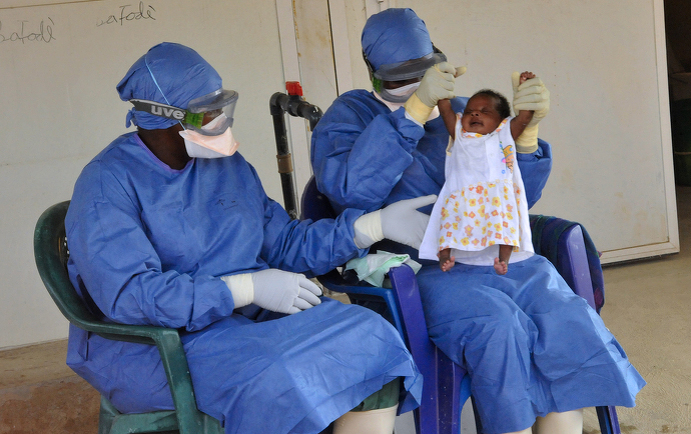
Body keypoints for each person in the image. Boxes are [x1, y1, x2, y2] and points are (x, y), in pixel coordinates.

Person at [64, 42, 437, 434]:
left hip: (248, 324)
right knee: (277, 376)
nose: (222, 120)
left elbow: (284, 243)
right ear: (165, 119)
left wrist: (369, 227)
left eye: (223, 105)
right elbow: (131, 296)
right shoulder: (107, 184)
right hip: (160, 345)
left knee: (371, 335)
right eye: (208, 112)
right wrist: (242, 288)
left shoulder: (227, 165)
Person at [311, 8, 645, 434]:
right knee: (498, 327)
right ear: (374, 75)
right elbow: (349, 191)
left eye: (424, 70)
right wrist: (411, 113)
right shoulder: (349, 116)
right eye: (400, 77)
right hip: (419, 271)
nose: (416, 83)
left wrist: (524, 138)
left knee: (563, 317)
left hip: (495, 258)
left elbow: (513, 197)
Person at [420, 74, 538, 274]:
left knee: (504, 227)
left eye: (484, 111)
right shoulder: (459, 132)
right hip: (462, 195)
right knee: (449, 225)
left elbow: (525, 116)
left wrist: (525, 89)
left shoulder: (504, 133)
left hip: (497, 198)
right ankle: (445, 257)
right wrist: (442, 87)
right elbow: (446, 110)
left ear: (501, 120)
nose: (475, 115)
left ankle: (503, 260)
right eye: (470, 112)